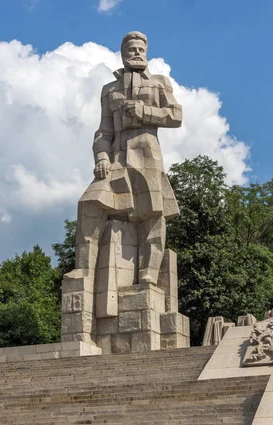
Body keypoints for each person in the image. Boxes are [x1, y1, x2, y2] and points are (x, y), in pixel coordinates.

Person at [75, 31, 182, 315]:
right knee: (89, 202)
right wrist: (100, 156)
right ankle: (83, 273)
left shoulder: (160, 82)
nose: (136, 52)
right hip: (117, 158)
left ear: (147, 51)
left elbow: (176, 115)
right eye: (131, 48)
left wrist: (144, 111)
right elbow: (103, 130)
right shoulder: (109, 89)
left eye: (140, 48)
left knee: (152, 215)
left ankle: (148, 272)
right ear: (123, 53)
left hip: (147, 155)